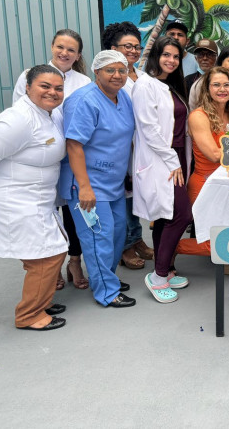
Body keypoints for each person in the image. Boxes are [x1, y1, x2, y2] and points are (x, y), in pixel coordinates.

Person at [0, 65, 69, 330]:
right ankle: (30, 315)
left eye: (58, 88)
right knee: (48, 255)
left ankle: (40, 301)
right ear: (27, 88)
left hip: (36, 200)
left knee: (45, 252)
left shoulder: (48, 114)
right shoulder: (18, 119)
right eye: (44, 86)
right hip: (13, 201)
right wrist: (1, 183)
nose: (52, 92)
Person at [12, 28, 91, 291]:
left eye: (71, 49)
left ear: (78, 54)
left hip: (71, 159)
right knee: (45, 213)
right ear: (52, 46)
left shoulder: (83, 82)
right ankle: (51, 267)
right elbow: (19, 115)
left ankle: (74, 261)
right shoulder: (30, 75)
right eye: (60, 47)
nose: (64, 53)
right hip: (40, 157)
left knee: (72, 213)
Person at [59, 50, 136, 308]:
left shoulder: (122, 96)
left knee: (117, 233)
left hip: (113, 182)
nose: (117, 75)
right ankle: (106, 291)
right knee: (97, 237)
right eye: (110, 70)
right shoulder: (84, 101)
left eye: (122, 70)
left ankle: (105, 277)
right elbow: (73, 145)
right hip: (87, 185)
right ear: (96, 72)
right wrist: (84, 187)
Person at [132, 37, 193, 303]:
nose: (171, 60)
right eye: (166, 55)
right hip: (164, 161)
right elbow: (148, 129)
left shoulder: (168, 85)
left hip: (176, 157)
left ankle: (165, 269)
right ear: (156, 55)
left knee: (165, 215)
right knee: (182, 214)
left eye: (176, 57)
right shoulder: (145, 85)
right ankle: (157, 277)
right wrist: (172, 160)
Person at [186, 66, 229, 277]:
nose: (222, 89)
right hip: (206, 184)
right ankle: (171, 248)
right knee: (214, 242)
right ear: (207, 89)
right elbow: (214, 155)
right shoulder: (198, 116)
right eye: (216, 85)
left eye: (226, 85)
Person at [105, 21, 154, 271]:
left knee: (135, 195)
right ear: (113, 48)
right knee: (123, 196)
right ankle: (125, 246)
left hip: (141, 146)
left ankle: (136, 238)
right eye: (128, 46)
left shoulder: (141, 75)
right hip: (121, 146)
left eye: (137, 46)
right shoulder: (113, 76)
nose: (134, 51)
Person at [187, 38, 219, 111]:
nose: (205, 58)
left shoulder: (222, 80)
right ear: (196, 58)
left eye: (209, 55)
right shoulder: (188, 80)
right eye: (201, 55)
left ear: (216, 58)